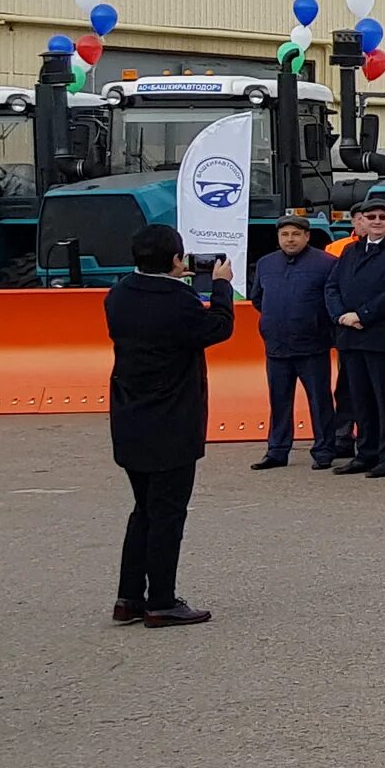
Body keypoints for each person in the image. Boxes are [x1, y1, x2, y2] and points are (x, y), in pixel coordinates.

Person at [106, 225, 238, 627]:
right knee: (167, 514)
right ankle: (161, 600)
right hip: (171, 421)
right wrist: (220, 287)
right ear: (176, 260)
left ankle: (129, 597)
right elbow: (218, 328)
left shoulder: (119, 294)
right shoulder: (177, 301)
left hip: (130, 416)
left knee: (143, 510)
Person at [324, 197, 385, 478]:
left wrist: (363, 315)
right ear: (362, 220)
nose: (376, 222)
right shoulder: (350, 251)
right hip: (350, 336)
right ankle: (366, 453)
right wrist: (340, 315)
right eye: (371, 216)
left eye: (382, 217)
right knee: (358, 399)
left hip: (381, 337)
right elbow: (331, 286)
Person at [250, 213, 336, 470]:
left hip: (312, 345)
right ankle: (277, 450)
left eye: (296, 234)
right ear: (278, 237)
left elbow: (332, 300)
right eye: (285, 234)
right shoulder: (266, 264)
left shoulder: (327, 263)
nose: (290, 239)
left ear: (307, 237)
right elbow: (258, 299)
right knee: (278, 401)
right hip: (276, 346)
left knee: (319, 401)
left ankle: (324, 450)